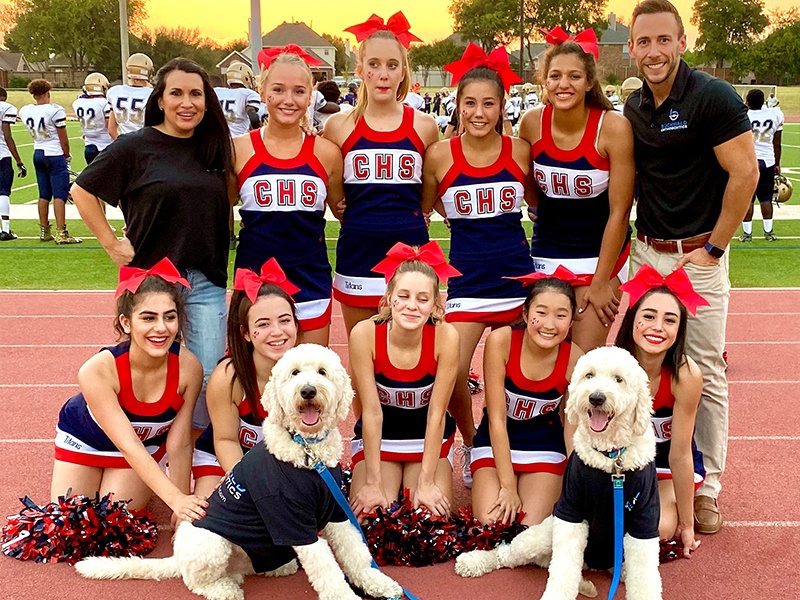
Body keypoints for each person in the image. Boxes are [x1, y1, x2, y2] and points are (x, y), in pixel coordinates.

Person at [624, 0, 759, 534]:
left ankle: (709, 487)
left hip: (699, 256)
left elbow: (745, 174)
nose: (654, 51)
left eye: (663, 40)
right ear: (631, 48)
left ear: (682, 42)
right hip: (647, 252)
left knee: (703, 368)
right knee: (638, 359)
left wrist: (717, 249)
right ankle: (638, 467)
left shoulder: (713, 96)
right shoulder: (634, 105)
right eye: (644, 42)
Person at [72, 58, 234, 432]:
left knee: (206, 379)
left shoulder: (214, 149)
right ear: (160, 99)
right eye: (176, 93)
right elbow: (81, 190)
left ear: (207, 101)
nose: (186, 102)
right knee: (150, 376)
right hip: (150, 282)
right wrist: (112, 245)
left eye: (196, 93)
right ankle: (151, 456)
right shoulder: (135, 147)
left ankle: (190, 455)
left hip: (205, 280)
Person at [422, 44, 532, 486]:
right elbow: (426, 213)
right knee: (447, 376)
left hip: (518, 280)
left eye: (489, 103)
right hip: (467, 282)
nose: (479, 111)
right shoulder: (441, 155)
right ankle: (473, 443)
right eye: (470, 102)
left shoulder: (521, 151)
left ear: (503, 106)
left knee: (527, 376)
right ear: (458, 104)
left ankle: (520, 443)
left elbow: (540, 208)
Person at [51, 259, 208, 523]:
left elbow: (179, 442)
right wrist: (174, 498)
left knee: (116, 520)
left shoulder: (189, 367)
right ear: (126, 323)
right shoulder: (97, 370)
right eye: (148, 318)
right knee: (73, 522)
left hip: (145, 447)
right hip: (87, 442)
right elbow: (128, 444)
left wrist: (180, 507)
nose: (161, 328)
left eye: (170, 317)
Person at [519, 27, 635, 353]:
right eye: (555, 76)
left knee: (583, 365)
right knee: (542, 360)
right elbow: (530, 191)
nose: (563, 84)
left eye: (574, 76)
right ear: (544, 80)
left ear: (588, 82)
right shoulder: (530, 123)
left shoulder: (612, 127)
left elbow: (620, 211)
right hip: (545, 253)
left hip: (599, 257)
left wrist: (601, 282)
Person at [325, 12, 439, 336]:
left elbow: (432, 185)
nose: (383, 74)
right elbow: (333, 192)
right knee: (361, 351)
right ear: (360, 69)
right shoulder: (338, 127)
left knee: (413, 355)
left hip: (411, 253)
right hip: (358, 252)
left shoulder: (424, 126)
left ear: (404, 71)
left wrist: (425, 212)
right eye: (373, 64)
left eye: (392, 65)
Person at [234, 48, 345, 346]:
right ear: (262, 91)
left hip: (310, 277)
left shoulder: (327, 154)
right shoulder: (238, 150)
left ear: (310, 97)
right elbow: (213, 208)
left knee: (310, 377)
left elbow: (344, 210)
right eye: (278, 90)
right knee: (255, 379)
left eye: (299, 91)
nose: (288, 100)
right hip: (255, 278)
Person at [349, 242, 461, 519]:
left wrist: (426, 481)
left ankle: (417, 480)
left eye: (423, 299)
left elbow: (437, 414)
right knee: (371, 518)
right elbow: (371, 412)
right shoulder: (364, 334)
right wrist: (373, 483)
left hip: (426, 441)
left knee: (429, 519)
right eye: (404, 295)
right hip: (380, 440)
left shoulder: (446, 337)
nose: (412, 306)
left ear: (435, 305)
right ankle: (379, 479)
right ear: (389, 297)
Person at [470, 272, 583, 526]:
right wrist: (508, 486)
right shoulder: (502, 342)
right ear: (525, 314)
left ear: (571, 321)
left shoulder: (575, 359)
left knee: (530, 528)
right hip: (495, 441)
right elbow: (496, 419)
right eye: (540, 312)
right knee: (492, 523)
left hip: (543, 447)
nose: (549, 324)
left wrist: (575, 484)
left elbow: (572, 429)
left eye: (561, 315)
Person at [616, 264, 708, 557]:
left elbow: (680, 454)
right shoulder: (612, 366)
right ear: (632, 320)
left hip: (666, 468)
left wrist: (687, 524)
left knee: (656, 529)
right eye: (648, 316)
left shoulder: (686, 376)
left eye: (670, 320)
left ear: (679, 330)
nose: (657, 327)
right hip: (622, 465)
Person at [193, 259, 300, 499]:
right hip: (224, 460)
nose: (277, 332)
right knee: (200, 523)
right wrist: (249, 486)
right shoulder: (230, 377)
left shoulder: (309, 372)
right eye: (263, 324)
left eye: (285, 320)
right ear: (246, 333)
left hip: (280, 465)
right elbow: (225, 440)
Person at [19, 78, 81, 245]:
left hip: (37, 152)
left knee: (43, 194)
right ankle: (62, 233)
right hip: (54, 154)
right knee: (60, 194)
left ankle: (44, 231)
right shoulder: (55, 110)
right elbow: (64, 139)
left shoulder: (26, 110)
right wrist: (66, 155)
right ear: (48, 93)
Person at [741, 88, 783, 242]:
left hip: (748, 161)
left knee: (747, 199)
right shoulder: (774, 114)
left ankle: (747, 234)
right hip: (768, 160)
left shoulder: (743, 116)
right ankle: (769, 232)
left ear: (748, 101)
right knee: (766, 198)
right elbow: (777, 143)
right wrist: (777, 163)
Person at [107, 53, 154, 139]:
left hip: (125, 143)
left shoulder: (114, 92)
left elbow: (111, 130)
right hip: (146, 143)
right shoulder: (153, 94)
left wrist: (123, 145)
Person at [0, 86, 25, 241]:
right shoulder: (6, 108)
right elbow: (8, 136)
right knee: (3, 192)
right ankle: (5, 229)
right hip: (2, 155)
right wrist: (19, 161)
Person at [73, 73, 113, 166]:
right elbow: (109, 126)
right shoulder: (104, 103)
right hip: (105, 146)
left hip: (89, 146)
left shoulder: (78, 103)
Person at [214, 61, 261, 138]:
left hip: (218, 141)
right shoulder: (248, 93)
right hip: (238, 140)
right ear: (246, 78)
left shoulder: (217, 91)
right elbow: (253, 117)